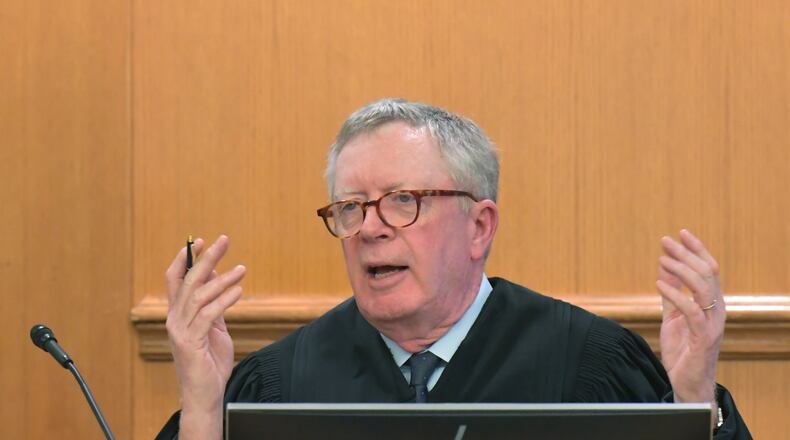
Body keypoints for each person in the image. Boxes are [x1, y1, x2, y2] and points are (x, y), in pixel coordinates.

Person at [157, 98, 751, 439]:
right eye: (349, 207)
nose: (369, 228)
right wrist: (204, 408)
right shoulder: (278, 385)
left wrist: (692, 398)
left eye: (402, 201)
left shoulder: (590, 364)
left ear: (479, 227)